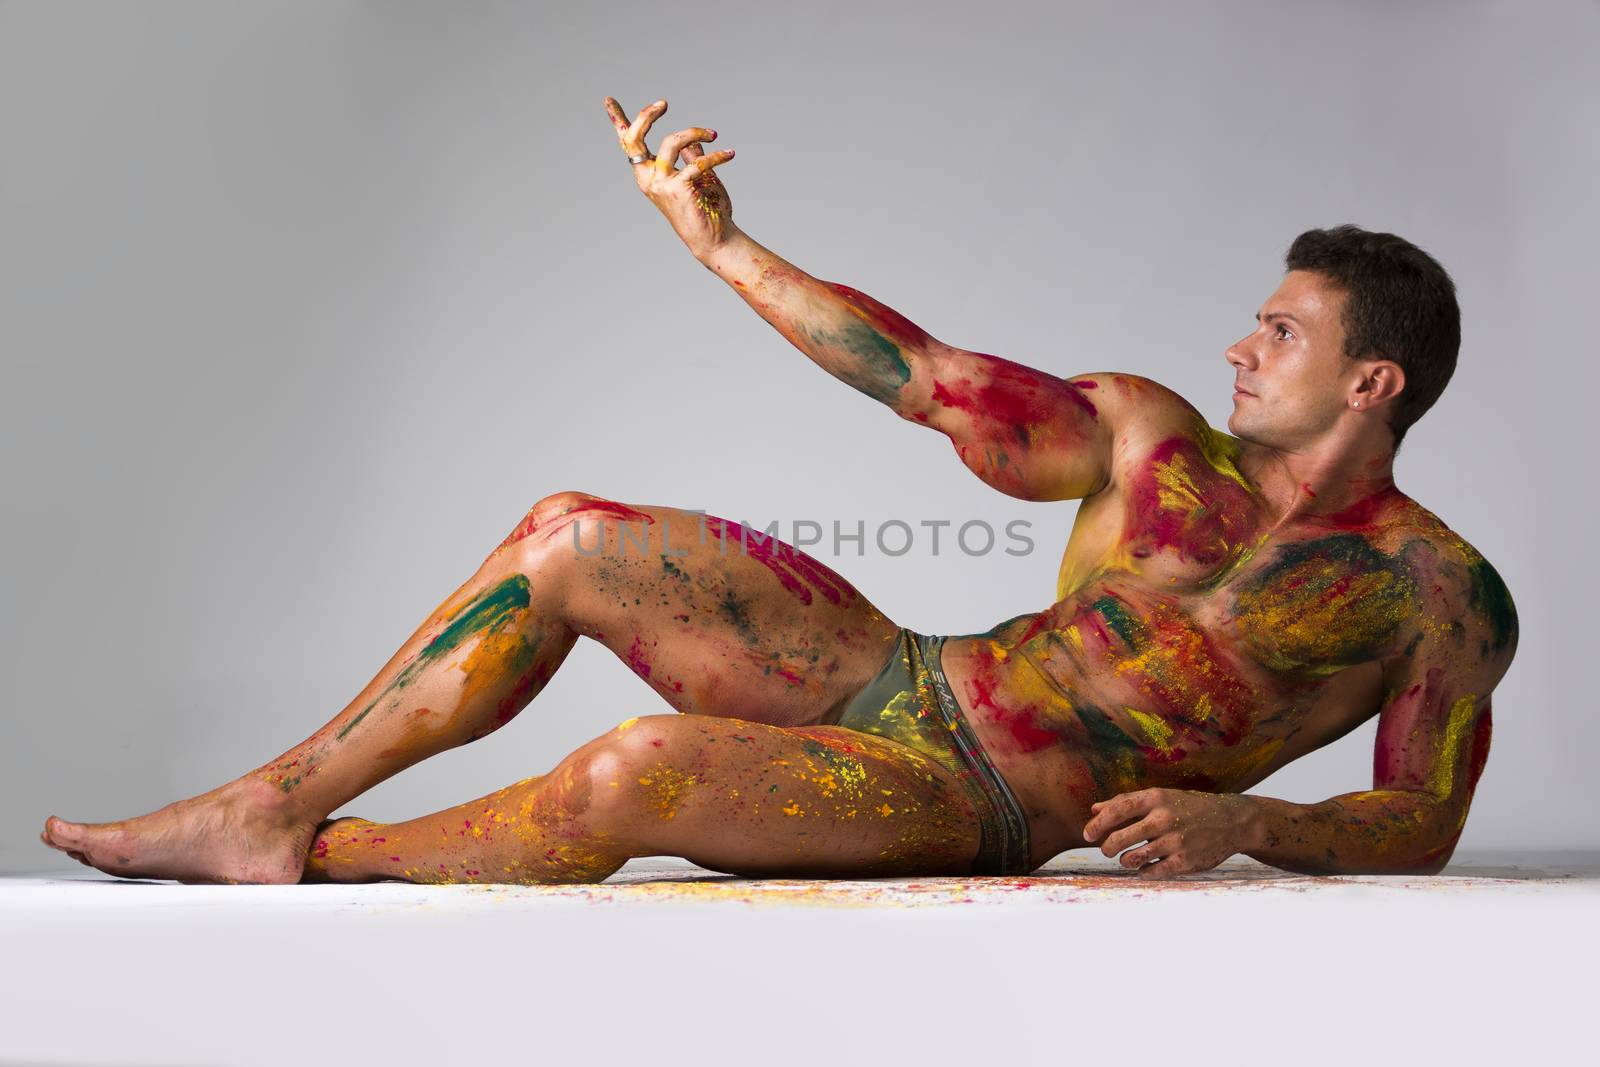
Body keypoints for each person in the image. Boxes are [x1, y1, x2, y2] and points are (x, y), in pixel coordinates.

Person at [38, 95, 1518, 885]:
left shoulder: (1437, 594)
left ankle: (331, 862)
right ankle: (264, 809)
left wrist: (1245, 826)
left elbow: (1421, 819)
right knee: (573, 542)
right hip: (912, 674)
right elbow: (925, 375)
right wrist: (722, 245)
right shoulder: (1152, 437)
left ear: (1373, 378)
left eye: (1281, 331)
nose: (1239, 346)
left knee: (628, 777)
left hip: (980, 802)